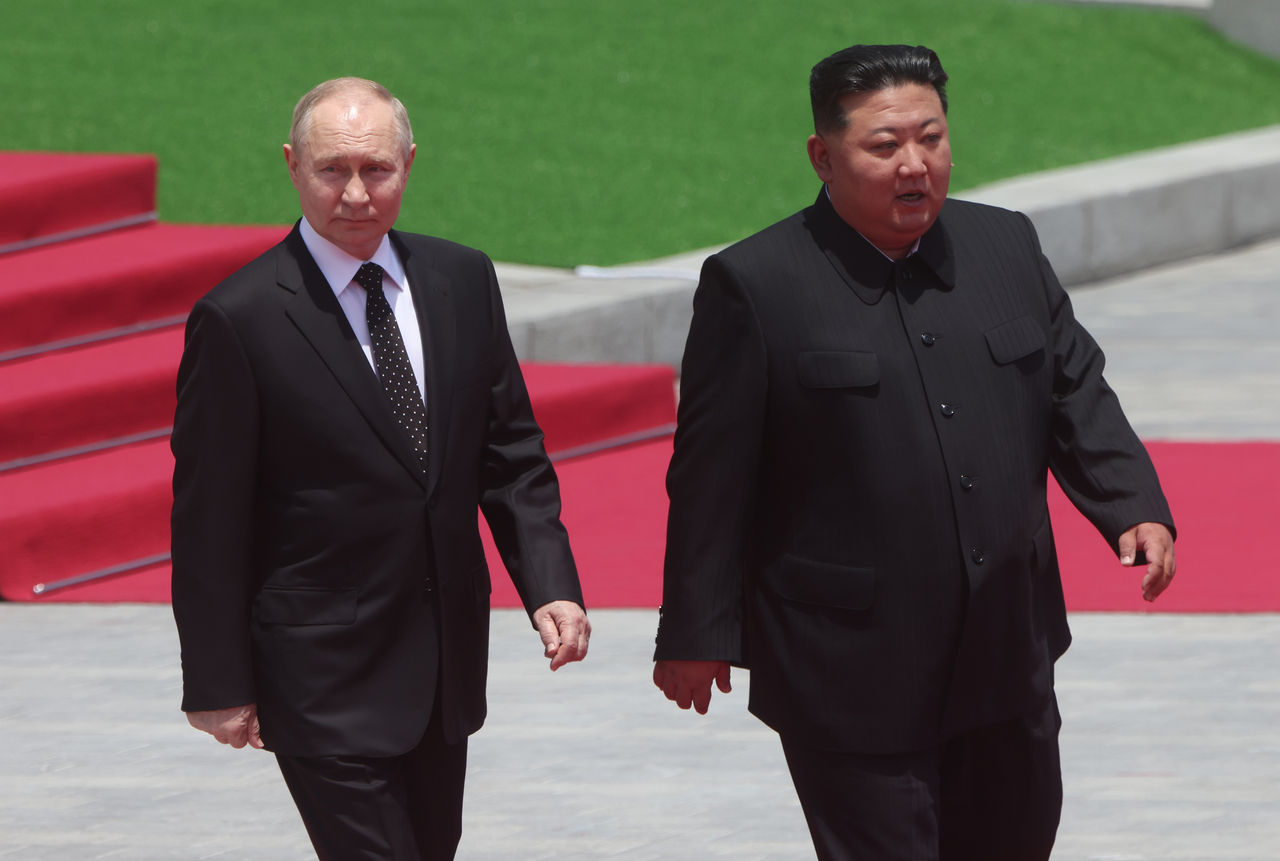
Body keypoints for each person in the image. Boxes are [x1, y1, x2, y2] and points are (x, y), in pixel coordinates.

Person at [652, 45, 1176, 860]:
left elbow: (1074, 387)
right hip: (850, 668)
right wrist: (696, 628)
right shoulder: (755, 284)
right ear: (823, 156)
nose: (914, 164)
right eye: (884, 145)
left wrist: (1131, 500)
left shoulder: (1005, 246)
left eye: (930, 138)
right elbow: (711, 476)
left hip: (1008, 650)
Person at [170, 77, 590, 861]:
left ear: (410, 164)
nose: (356, 192)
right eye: (332, 170)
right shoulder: (241, 317)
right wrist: (217, 679)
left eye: (377, 169)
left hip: (441, 670)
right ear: (293, 166)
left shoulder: (462, 280)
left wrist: (551, 581)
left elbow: (510, 454)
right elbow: (207, 517)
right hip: (319, 672)